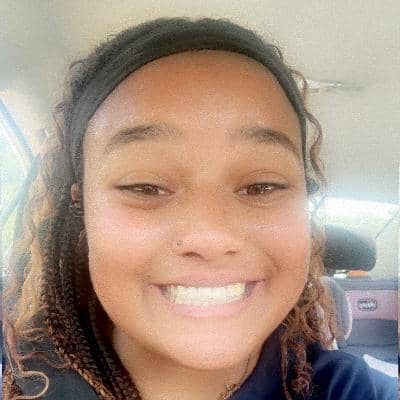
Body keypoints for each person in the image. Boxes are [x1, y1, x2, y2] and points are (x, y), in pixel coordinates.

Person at [2, 16, 396, 400]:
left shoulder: (355, 389)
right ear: (82, 209)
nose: (211, 237)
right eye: (145, 187)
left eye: (261, 186)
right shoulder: (17, 374)